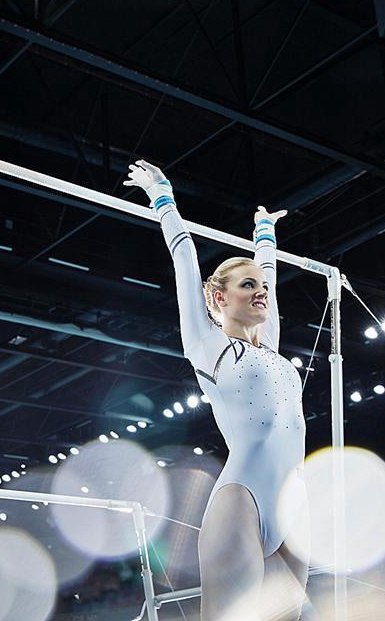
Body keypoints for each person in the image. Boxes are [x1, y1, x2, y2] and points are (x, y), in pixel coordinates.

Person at [125, 161, 309, 621]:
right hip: (242, 502)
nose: (261, 292)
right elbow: (184, 259)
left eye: (262, 286)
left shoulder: (270, 348)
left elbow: (269, 274)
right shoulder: (208, 346)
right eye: (249, 285)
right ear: (219, 298)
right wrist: (162, 197)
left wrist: (264, 232)